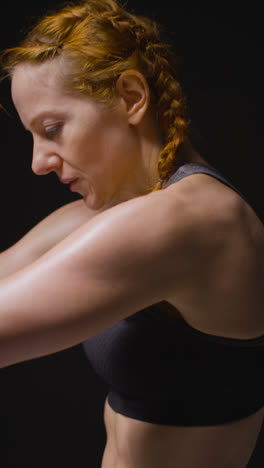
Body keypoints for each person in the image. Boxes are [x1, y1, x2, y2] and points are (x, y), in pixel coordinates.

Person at [0, 0, 264, 467]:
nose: (38, 162)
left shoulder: (191, 223)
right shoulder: (117, 213)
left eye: (53, 128)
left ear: (131, 97)